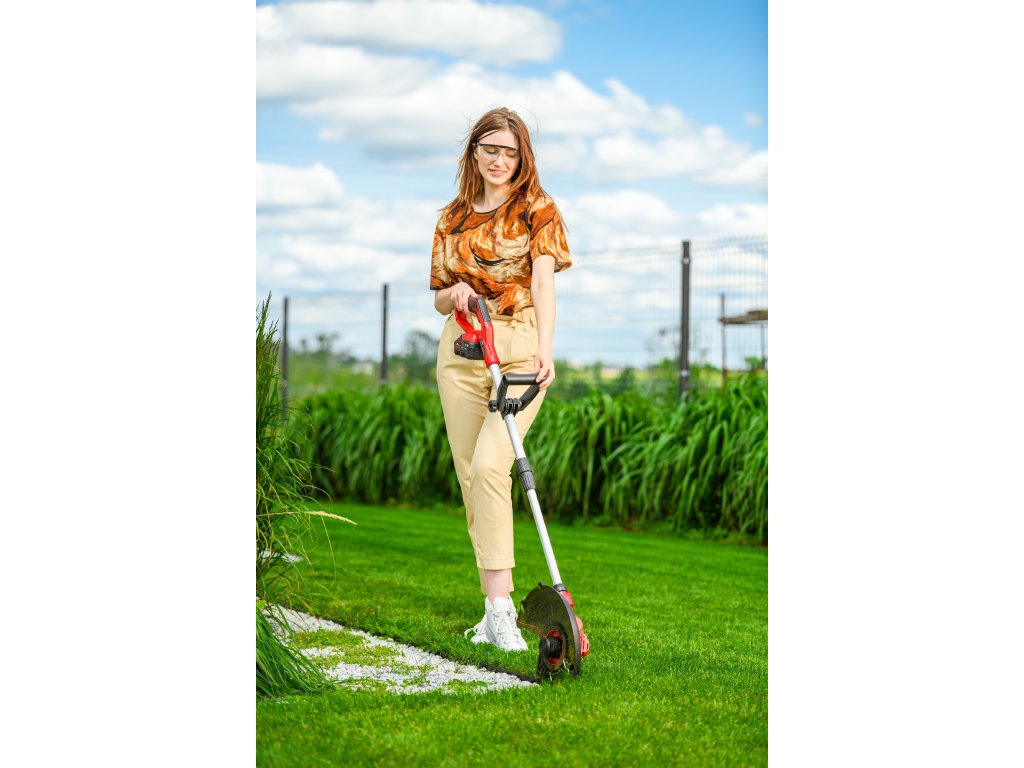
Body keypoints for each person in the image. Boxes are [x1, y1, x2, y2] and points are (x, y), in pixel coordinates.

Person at [430, 107, 572, 651]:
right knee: (472, 477)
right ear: (474, 152)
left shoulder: (538, 208)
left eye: (510, 151)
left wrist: (544, 350)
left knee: (493, 464)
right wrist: (456, 293)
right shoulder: (451, 218)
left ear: (522, 157)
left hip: (518, 350)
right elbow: (439, 295)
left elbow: (543, 283)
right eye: (490, 148)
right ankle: (495, 610)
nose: (499, 159)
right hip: (462, 349)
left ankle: (502, 612)